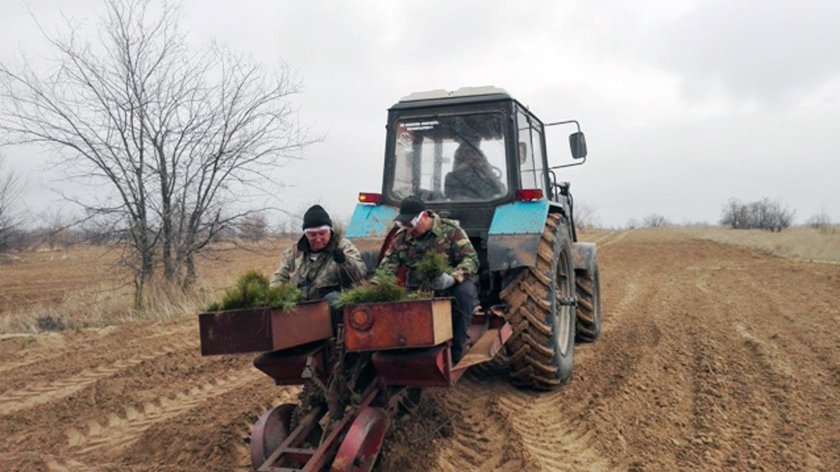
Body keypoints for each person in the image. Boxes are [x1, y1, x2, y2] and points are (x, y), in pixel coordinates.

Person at [379, 196, 479, 363]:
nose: (409, 229)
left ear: (424, 216)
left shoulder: (451, 231)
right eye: (405, 225)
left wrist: (452, 278)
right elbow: (388, 266)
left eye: (411, 224)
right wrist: (378, 286)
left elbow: (471, 259)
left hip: (449, 286)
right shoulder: (401, 238)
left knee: (465, 294)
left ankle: (456, 351)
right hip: (417, 288)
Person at [271, 205, 366, 306]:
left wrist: (344, 261)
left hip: (332, 307)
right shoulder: (294, 251)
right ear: (305, 234)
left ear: (329, 231)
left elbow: (360, 273)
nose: (318, 238)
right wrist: (273, 296)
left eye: (322, 233)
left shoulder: (343, 246)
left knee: (332, 299)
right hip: (299, 305)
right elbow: (280, 277)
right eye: (312, 234)